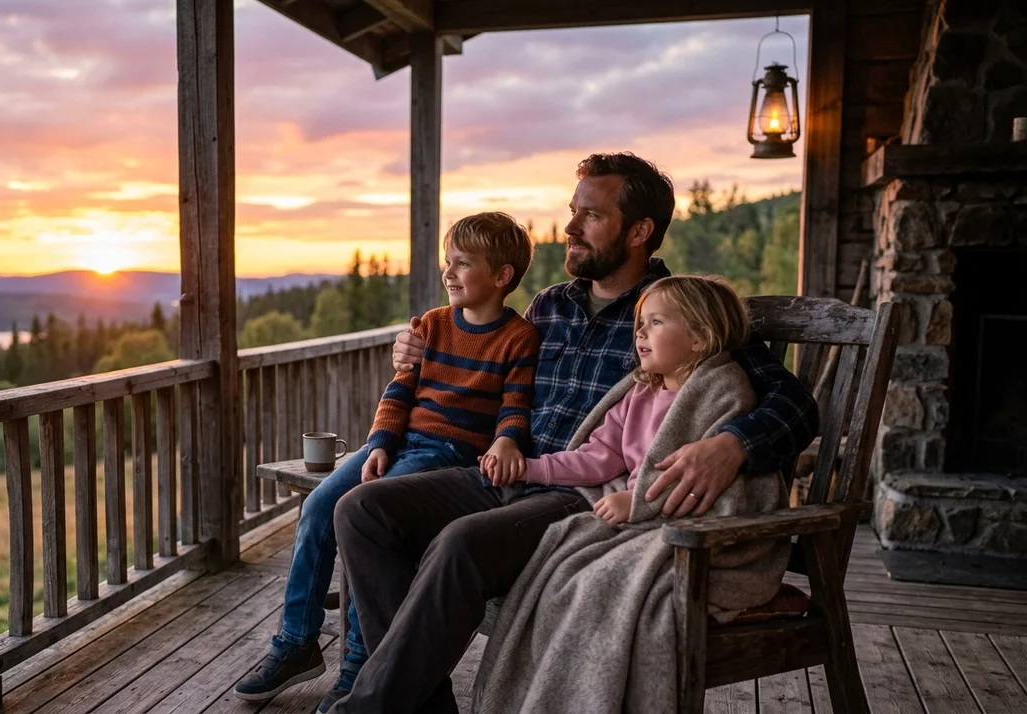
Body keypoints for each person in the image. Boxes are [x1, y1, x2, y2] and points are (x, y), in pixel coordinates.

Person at [328, 152, 818, 714]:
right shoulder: (550, 306)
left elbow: (795, 403)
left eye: (590, 216)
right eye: (572, 211)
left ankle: (369, 707)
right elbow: (483, 354)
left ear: (639, 231)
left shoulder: (674, 314)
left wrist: (733, 445)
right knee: (361, 510)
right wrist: (416, 350)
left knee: (459, 543)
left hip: (576, 497)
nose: (569, 228)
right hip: (510, 470)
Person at [233, 211, 540, 712]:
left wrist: (507, 440)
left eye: (463, 264)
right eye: (448, 262)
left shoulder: (518, 339)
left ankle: (357, 666)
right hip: (396, 443)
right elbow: (399, 391)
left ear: (502, 276)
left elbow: (515, 405)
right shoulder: (432, 325)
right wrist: (378, 442)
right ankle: (296, 640)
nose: (449, 273)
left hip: (448, 456)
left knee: (365, 521)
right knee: (319, 507)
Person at [472, 274, 793, 713]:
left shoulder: (722, 389)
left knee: (597, 582)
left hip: (688, 532)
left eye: (655, 323)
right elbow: (598, 458)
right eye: (640, 323)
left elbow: (721, 484)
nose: (639, 333)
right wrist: (529, 468)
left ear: (700, 337)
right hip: (639, 521)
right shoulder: (641, 391)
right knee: (561, 568)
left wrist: (637, 501)